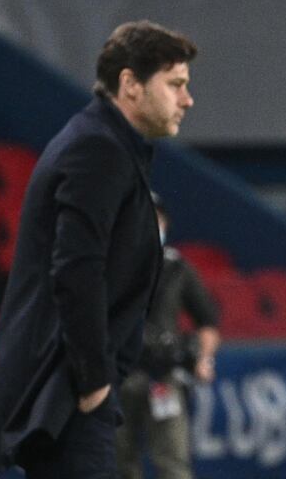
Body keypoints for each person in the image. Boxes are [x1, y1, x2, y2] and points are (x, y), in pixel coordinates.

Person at [0, 20, 197, 479]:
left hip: (74, 386)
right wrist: (94, 380)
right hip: (69, 390)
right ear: (130, 85)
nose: (186, 99)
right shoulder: (97, 149)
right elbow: (76, 271)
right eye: (175, 85)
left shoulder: (108, 144)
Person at [116, 194, 220, 479]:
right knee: (117, 463)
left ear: (165, 222)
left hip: (163, 375)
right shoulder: (108, 267)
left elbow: (208, 322)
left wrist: (204, 358)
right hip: (117, 376)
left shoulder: (177, 268)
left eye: (156, 218)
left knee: (172, 462)